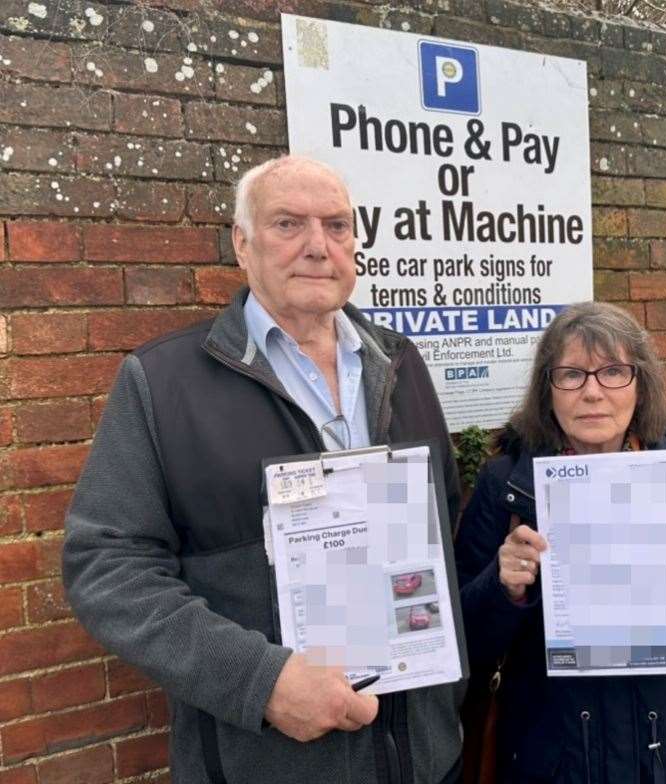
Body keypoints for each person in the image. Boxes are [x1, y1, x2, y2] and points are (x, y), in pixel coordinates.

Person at [63, 155, 463, 784]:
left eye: (337, 225)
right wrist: (261, 682)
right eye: (287, 224)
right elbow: (107, 567)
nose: (317, 246)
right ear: (242, 246)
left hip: (421, 758)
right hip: (267, 764)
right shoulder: (163, 383)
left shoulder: (401, 363)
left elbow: (446, 528)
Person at [455, 302, 666, 784]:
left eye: (613, 372)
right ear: (548, 388)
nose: (591, 393)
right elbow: (463, 641)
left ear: (640, 384)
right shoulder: (507, 486)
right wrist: (503, 589)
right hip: (555, 764)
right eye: (570, 374)